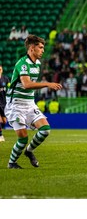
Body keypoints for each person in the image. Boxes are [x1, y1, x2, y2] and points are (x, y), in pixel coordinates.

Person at [4, 35, 62, 169]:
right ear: (32, 48)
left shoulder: (37, 63)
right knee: (23, 138)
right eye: (40, 47)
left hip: (29, 103)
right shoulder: (22, 63)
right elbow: (26, 84)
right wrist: (47, 84)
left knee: (45, 130)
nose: (42, 50)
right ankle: (11, 163)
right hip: (16, 104)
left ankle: (29, 151)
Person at [0, 65, 10, 142]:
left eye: (0, 69)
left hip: (4, 102)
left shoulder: (5, 79)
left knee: (4, 121)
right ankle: (0, 135)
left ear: (2, 70)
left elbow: (9, 88)